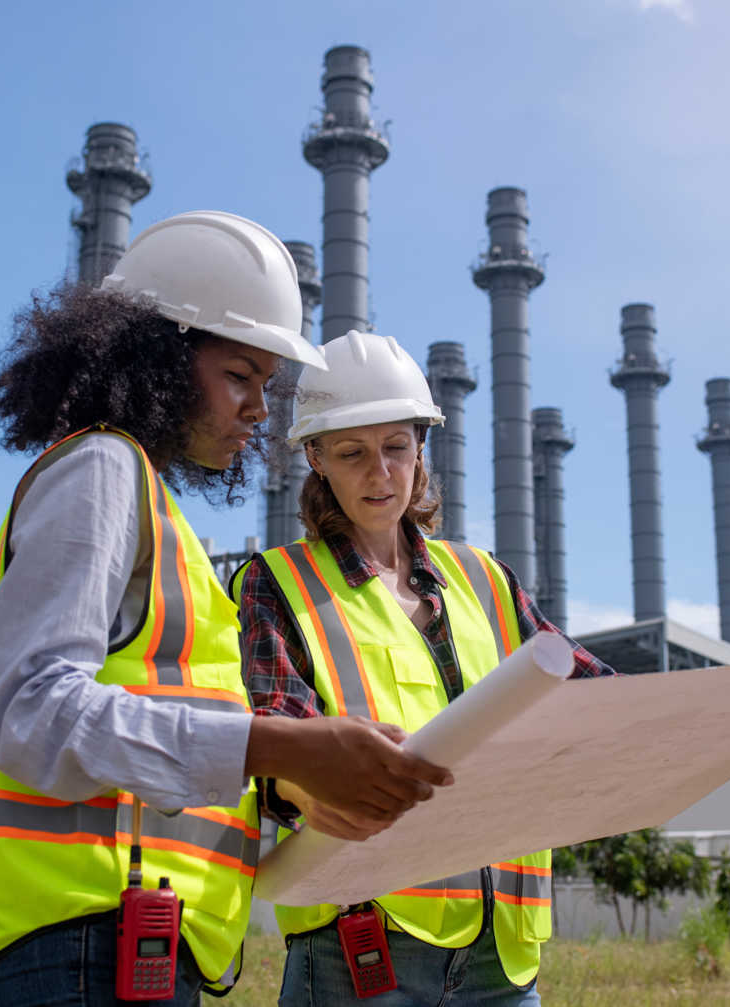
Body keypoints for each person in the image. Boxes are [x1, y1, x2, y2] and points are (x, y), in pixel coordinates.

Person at [0, 214, 452, 1007]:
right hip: (81, 942)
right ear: (158, 357)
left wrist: (295, 783)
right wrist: (282, 742)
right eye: (239, 376)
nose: (258, 410)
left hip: (116, 946)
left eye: (266, 385)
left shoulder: (150, 503)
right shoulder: (104, 468)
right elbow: (31, 710)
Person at [233, 329, 617, 1007]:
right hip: (364, 942)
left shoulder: (484, 578)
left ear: (421, 448)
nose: (379, 473)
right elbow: (270, 732)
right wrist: (302, 789)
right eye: (351, 453)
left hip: (504, 953)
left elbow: (596, 693)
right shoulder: (276, 582)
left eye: (395, 448)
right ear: (316, 457)